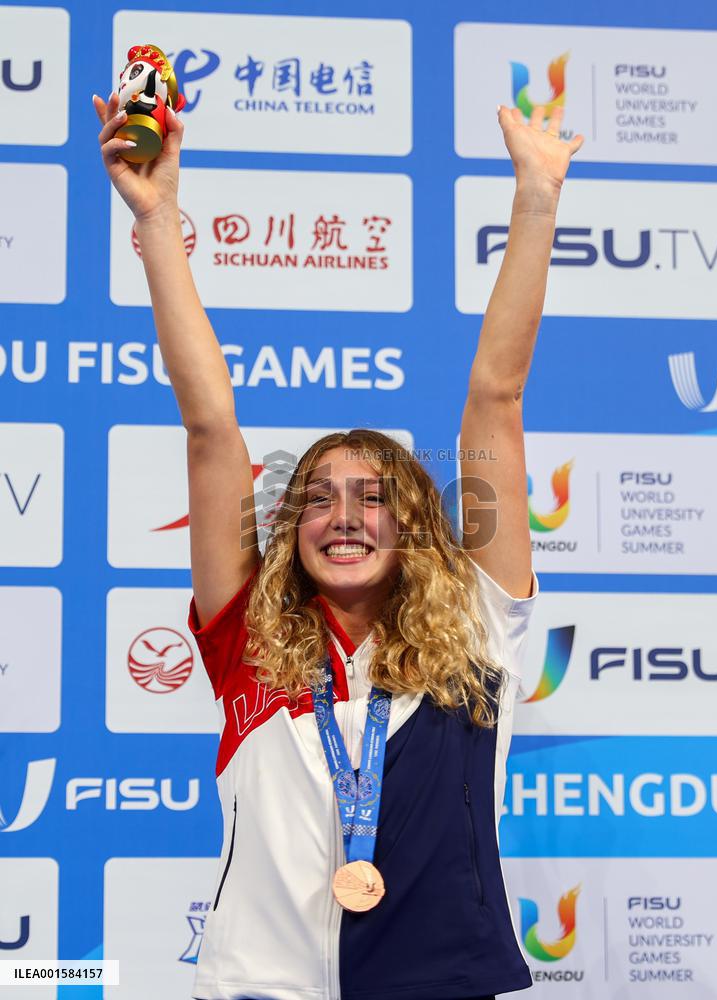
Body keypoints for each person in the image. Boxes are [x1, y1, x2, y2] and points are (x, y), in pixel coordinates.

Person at [95, 87, 583, 1000]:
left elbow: (497, 399)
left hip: (442, 984)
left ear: (421, 529)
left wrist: (536, 200)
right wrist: (158, 218)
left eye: (375, 498)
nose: (346, 516)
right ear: (291, 531)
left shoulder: (480, 629)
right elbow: (211, 426)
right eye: (317, 498)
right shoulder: (246, 638)